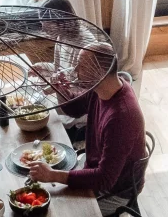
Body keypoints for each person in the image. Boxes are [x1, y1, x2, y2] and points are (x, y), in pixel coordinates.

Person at [23, 43, 146, 215]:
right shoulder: (102, 88)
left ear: (99, 72)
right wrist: (61, 89)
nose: (75, 69)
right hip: (92, 164)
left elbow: (104, 180)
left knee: (56, 208)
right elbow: (75, 109)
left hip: (115, 192)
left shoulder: (121, 116)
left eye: (82, 65)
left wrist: (53, 175)